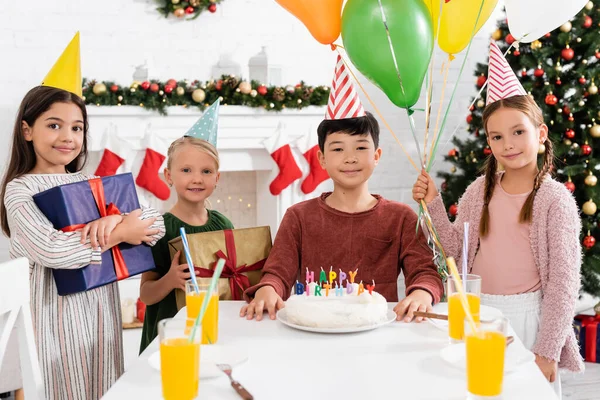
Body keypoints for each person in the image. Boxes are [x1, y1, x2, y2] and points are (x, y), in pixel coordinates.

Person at [412, 42, 584, 395]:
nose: (509, 144)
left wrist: (548, 351)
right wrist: (433, 203)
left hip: (529, 320)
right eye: (497, 136)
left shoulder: (555, 201)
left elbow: (563, 287)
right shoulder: (480, 191)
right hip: (481, 314)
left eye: (518, 131)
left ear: (540, 133)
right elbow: (455, 251)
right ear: (488, 141)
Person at [241, 55, 443, 322]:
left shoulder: (401, 217)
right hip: (315, 329)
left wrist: (422, 293)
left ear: (377, 155)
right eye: (338, 149)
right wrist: (267, 289)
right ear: (322, 158)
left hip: (378, 332)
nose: (350, 158)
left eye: (361, 147)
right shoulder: (298, 216)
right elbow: (278, 272)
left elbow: (425, 272)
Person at [139, 101, 234, 352]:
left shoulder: (223, 225)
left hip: (211, 328)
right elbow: (146, 295)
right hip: (171, 337)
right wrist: (170, 280)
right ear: (169, 176)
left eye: (206, 171)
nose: (196, 178)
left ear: (217, 178)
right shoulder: (157, 228)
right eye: (186, 170)